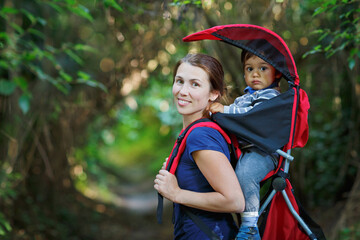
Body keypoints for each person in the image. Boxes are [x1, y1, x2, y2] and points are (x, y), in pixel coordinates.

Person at [154, 53, 245, 240]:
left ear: (213, 93)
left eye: (195, 84)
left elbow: (234, 201)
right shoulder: (198, 130)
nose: (183, 91)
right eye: (179, 81)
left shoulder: (200, 136)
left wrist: (176, 193)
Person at [209, 50, 283, 240]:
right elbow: (235, 117)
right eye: (249, 69)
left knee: (245, 174)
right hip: (246, 151)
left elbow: (251, 116)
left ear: (277, 73)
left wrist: (224, 110)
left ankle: (250, 229)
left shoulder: (272, 97)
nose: (255, 74)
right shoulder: (244, 98)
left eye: (263, 68)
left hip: (265, 152)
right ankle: (234, 222)